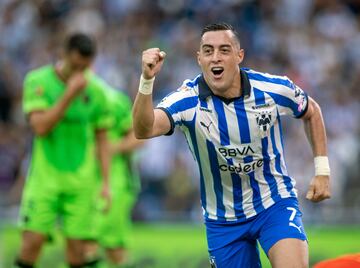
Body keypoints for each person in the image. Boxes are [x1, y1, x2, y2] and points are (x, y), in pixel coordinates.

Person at [132, 22, 331, 268]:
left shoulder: (272, 89)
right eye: (208, 51)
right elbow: (143, 129)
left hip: (273, 203)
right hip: (223, 219)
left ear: (239, 55)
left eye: (224, 50)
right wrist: (146, 80)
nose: (215, 57)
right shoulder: (187, 101)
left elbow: (312, 111)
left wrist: (322, 170)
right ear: (199, 59)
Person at [15, 33, 112, 268]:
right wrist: (69, 94)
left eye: (86, 67)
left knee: (78, 253)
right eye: (76, 65)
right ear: (64, 55)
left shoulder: (97, 91)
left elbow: (102, 139)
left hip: (81, 183)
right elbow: (40, 127)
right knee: (32, 242)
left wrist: (106, 183)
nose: (81, 72)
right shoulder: (38, 81)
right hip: (44, 180)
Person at [84, 88, 143, 267]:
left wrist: (110, 148)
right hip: (81, 183)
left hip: (115, 183)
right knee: (108, 248)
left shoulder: (114, 101)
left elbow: (139, 137)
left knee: (95, 243)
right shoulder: (65, 99)